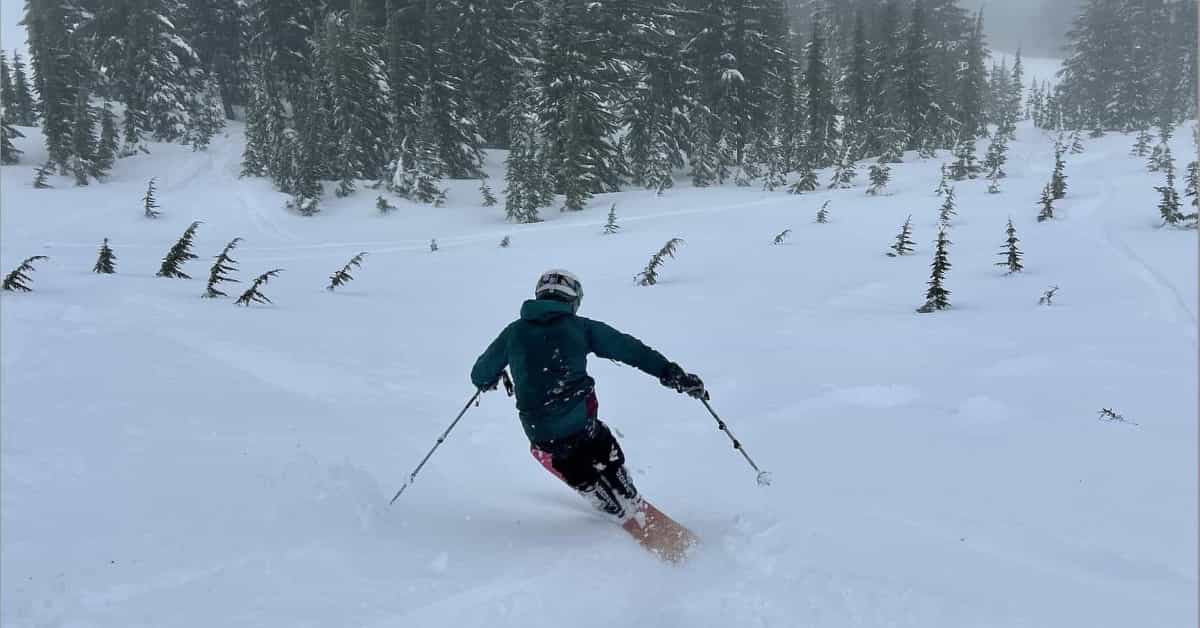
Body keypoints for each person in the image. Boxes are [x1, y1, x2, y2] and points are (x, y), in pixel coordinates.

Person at [471, 269, 707, 525]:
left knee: (567, 458)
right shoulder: (580, 328)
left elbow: (480, 373)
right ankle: (622, 487)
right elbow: (631, 350)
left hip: (538, 430)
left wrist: (488, 379)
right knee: (600, 443)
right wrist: (671, 373)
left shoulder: (513, 333)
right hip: (580, 423)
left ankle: (597, 492)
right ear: (572, 300)